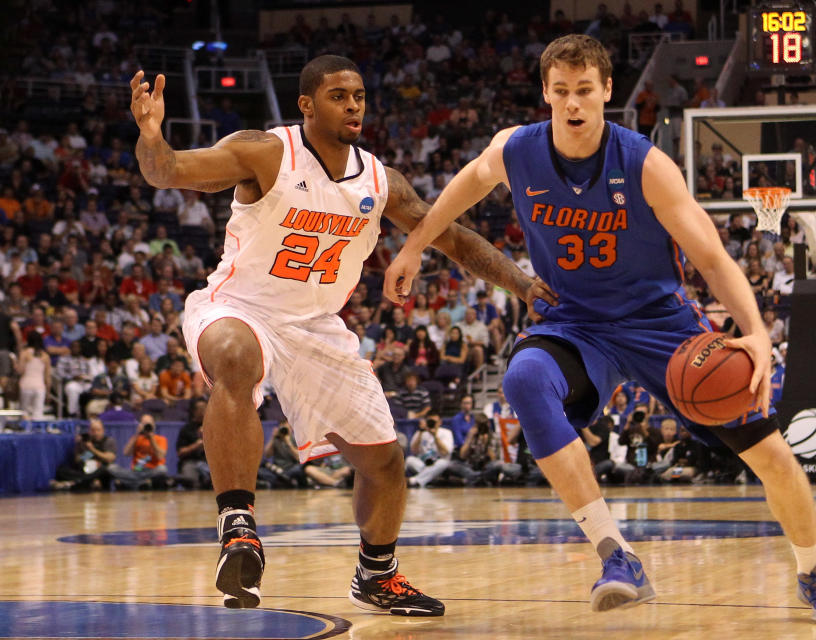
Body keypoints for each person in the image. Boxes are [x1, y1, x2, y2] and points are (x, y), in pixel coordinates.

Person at [383, 34, 816, 622]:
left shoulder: (645, 164)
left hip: (661, 326)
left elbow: (710, 258)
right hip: (576, 322)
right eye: (561, 92)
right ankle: (616, 553)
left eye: (585, 91)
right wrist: (414, 248)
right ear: (546, 94)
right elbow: (465, 186)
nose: (573, 104)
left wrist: (755, 331)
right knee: (525, 381)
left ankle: (815, 570)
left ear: (607, 91)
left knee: (773, 456)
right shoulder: (515, 150)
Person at [130, 55, 553, 614]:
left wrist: (523, 285)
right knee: (235, 356)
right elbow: (169, 172)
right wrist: (152, 134)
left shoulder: (380, 181)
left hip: (317, 327)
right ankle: (238, 527)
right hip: (238, 306)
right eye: (338, 96)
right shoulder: (267, 152)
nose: (353, 105)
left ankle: (377, 574)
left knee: (385, 465)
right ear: (306, 104)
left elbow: (453, 239)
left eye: (358, 94)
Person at [51, 417, 116, 491]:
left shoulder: (108, 441)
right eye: (93, 430)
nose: (95, 433)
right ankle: (82, 481)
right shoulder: (85, 442)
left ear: (103, 430)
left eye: (98, 430)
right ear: (89, 431)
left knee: (106, 470)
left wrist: (93, 450)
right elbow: (78, 461)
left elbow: (110, 458)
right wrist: (80, 446)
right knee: (61, 470)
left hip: (100, 471)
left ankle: (74, 483)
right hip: (86, 471)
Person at [109, 413, 169, 489]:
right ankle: (143, 483)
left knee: (162, 469)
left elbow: (160, 457)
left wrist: (151, 438)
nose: (146, 426)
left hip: (152, 470)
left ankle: (132, 483)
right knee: (112, 468)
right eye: (144, 424)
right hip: (137, 469)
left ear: (153, 425)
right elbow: (126, 453)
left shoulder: (161, 439)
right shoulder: (136, 438)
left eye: (148, 424)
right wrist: (137, 434)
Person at [176, 398, 211, 489]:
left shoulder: (213, 427)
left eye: (205, 407)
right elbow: (180, 452)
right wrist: (197, 445)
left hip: (208, 463)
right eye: (201, 408)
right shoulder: (186, 429)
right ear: (194, 411)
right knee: (190, 480)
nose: (204, 410)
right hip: (191, 462)